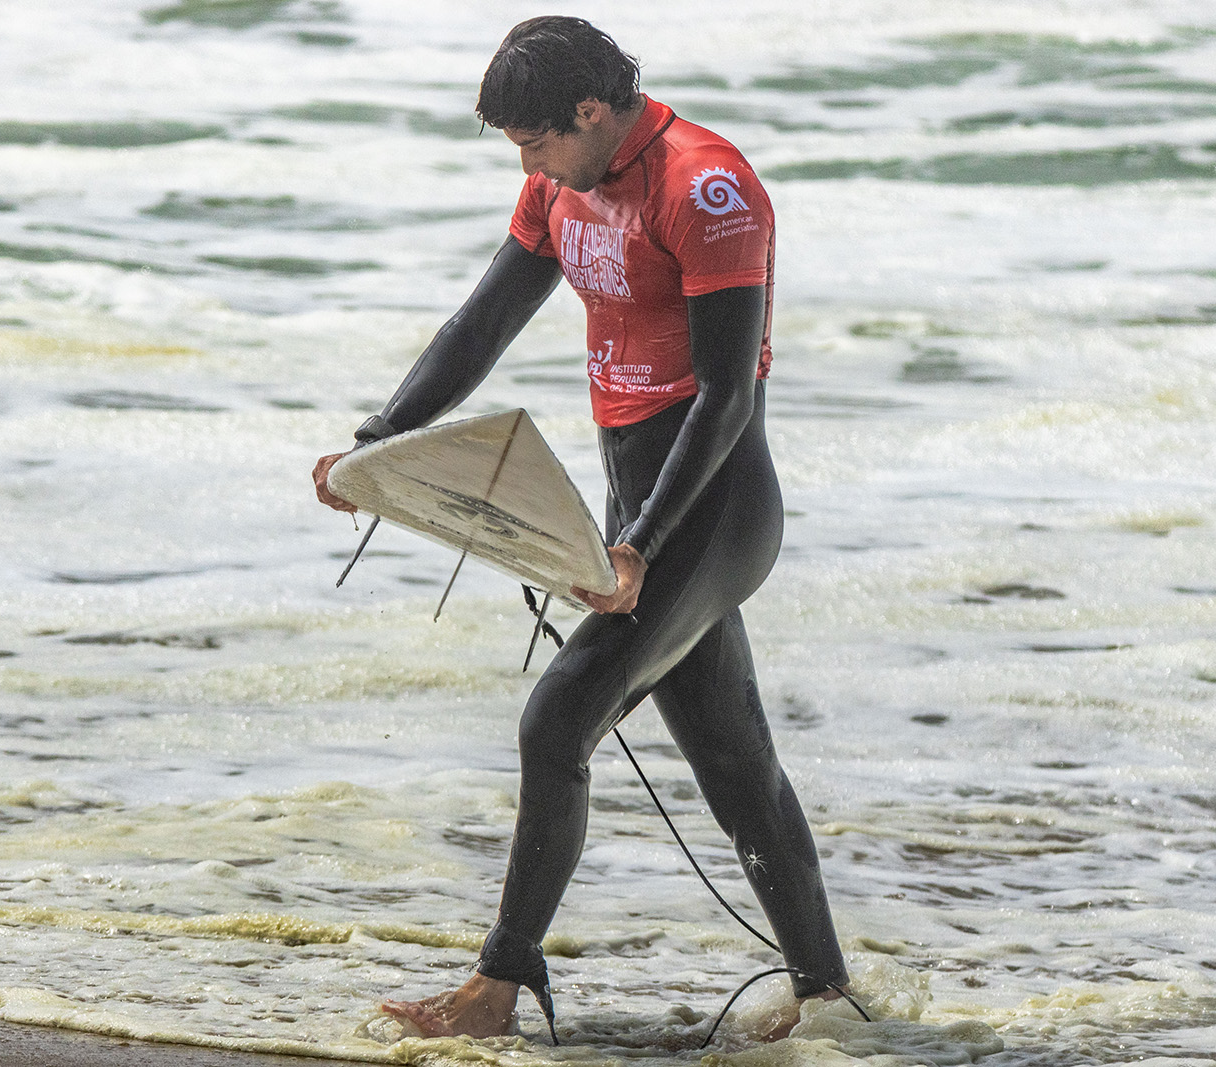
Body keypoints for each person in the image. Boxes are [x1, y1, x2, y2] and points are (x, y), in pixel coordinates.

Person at [312, 15, 848, 1043]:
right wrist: (377, 443)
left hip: (710, 507)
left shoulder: (707, 189)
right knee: (736, 765)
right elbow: (482, 323)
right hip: (632, 505)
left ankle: (496, 988)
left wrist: (639, 543)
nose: (529, 166)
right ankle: (831, 1005)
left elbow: (725, 396)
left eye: (536, 143)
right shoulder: (560, 187)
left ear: (591, 112)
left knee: (554, 723)